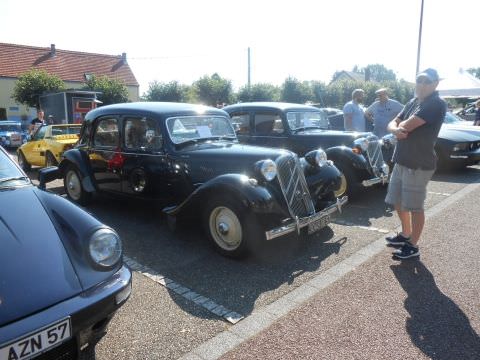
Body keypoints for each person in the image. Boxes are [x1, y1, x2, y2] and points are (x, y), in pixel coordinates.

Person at [385, 68, 447, 259]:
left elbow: (406, 125)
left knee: (414, 206)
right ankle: (405, 234)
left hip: (418, 164)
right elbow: (393, 123)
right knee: (396, 201)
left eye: (426, 82)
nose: (421, 85)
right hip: (401, 160)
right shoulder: (413, 101)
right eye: (419, 81)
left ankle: (413, 246)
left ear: (436, 83)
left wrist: (396, 128)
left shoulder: (436, 103)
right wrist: (395, 130)